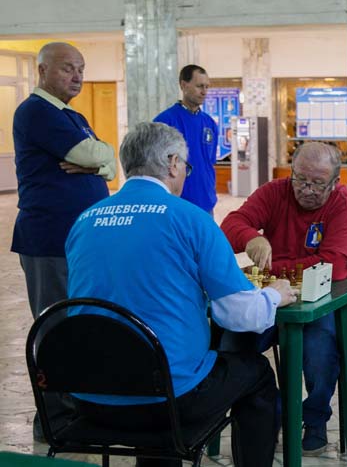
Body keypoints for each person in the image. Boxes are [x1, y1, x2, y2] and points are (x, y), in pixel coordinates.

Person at [66, 122, 297, 467]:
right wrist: (275, 296)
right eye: (187, 167)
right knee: (257, 374)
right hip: (168, 398)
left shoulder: (83, 221)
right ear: (173, 163)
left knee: (152, 366)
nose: (186, 175)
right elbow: (239, 315)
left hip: (88, 394)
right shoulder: (191, 219)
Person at [220, 141, 347, 455]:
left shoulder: (345, 204)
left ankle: (313, 418)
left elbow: (334, 264)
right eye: (300, 179)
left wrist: (272, 269)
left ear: (335, 183)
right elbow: (230, 225)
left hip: (321, 297)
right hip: (271, 295)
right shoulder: (274, 192)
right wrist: (251, 238)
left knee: (321, 349)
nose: (307, 189)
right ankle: (264, 411)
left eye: (317, 183)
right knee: (234, 341)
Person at [12, 42, 117, 442]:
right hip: (49, 239)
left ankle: (78, 409)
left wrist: (100, 160)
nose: (77, 76)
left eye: (81, 69)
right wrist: (98, 157)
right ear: (41, 71)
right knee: (55, 328)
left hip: (76, 240)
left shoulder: (70, 114)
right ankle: (53, 419)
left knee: (79, 324)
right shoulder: (36, 111)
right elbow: (91, 152)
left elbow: (106, 158)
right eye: (67, 69)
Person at [153, 64, 218, 215]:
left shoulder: (210, 124)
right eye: (199, 86)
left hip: (206, 205)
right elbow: (154, 166)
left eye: (207, 87)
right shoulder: (165, 122)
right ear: (183, 85)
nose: (204, 92)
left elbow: (209, 163)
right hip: (176, 206)